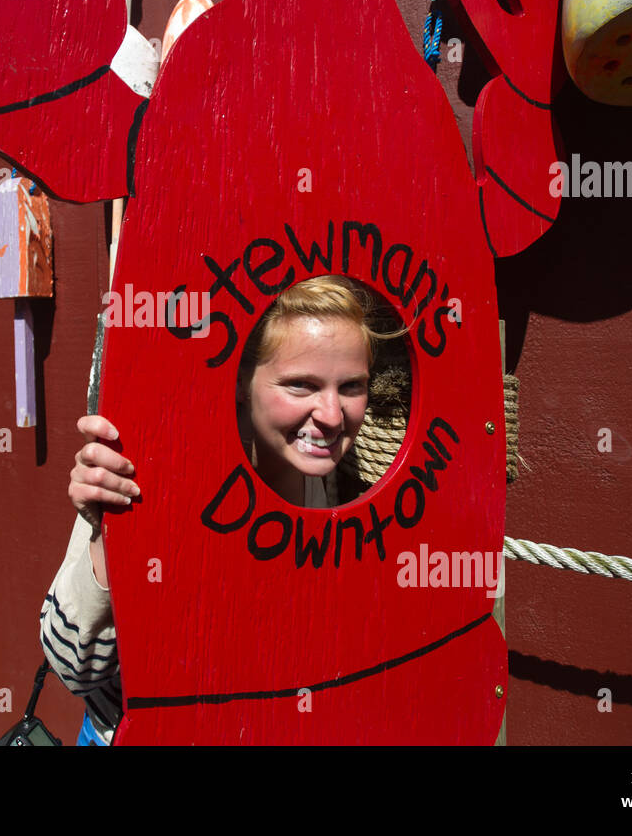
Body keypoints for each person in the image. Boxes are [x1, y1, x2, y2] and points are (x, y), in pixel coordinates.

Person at [39, 274, 384, 744]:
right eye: (301, 385)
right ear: (243, 382)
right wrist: (107, 536)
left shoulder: (333, 485)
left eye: (351, 386)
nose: (331, 413)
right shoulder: (152, 474)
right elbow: (72, 667)